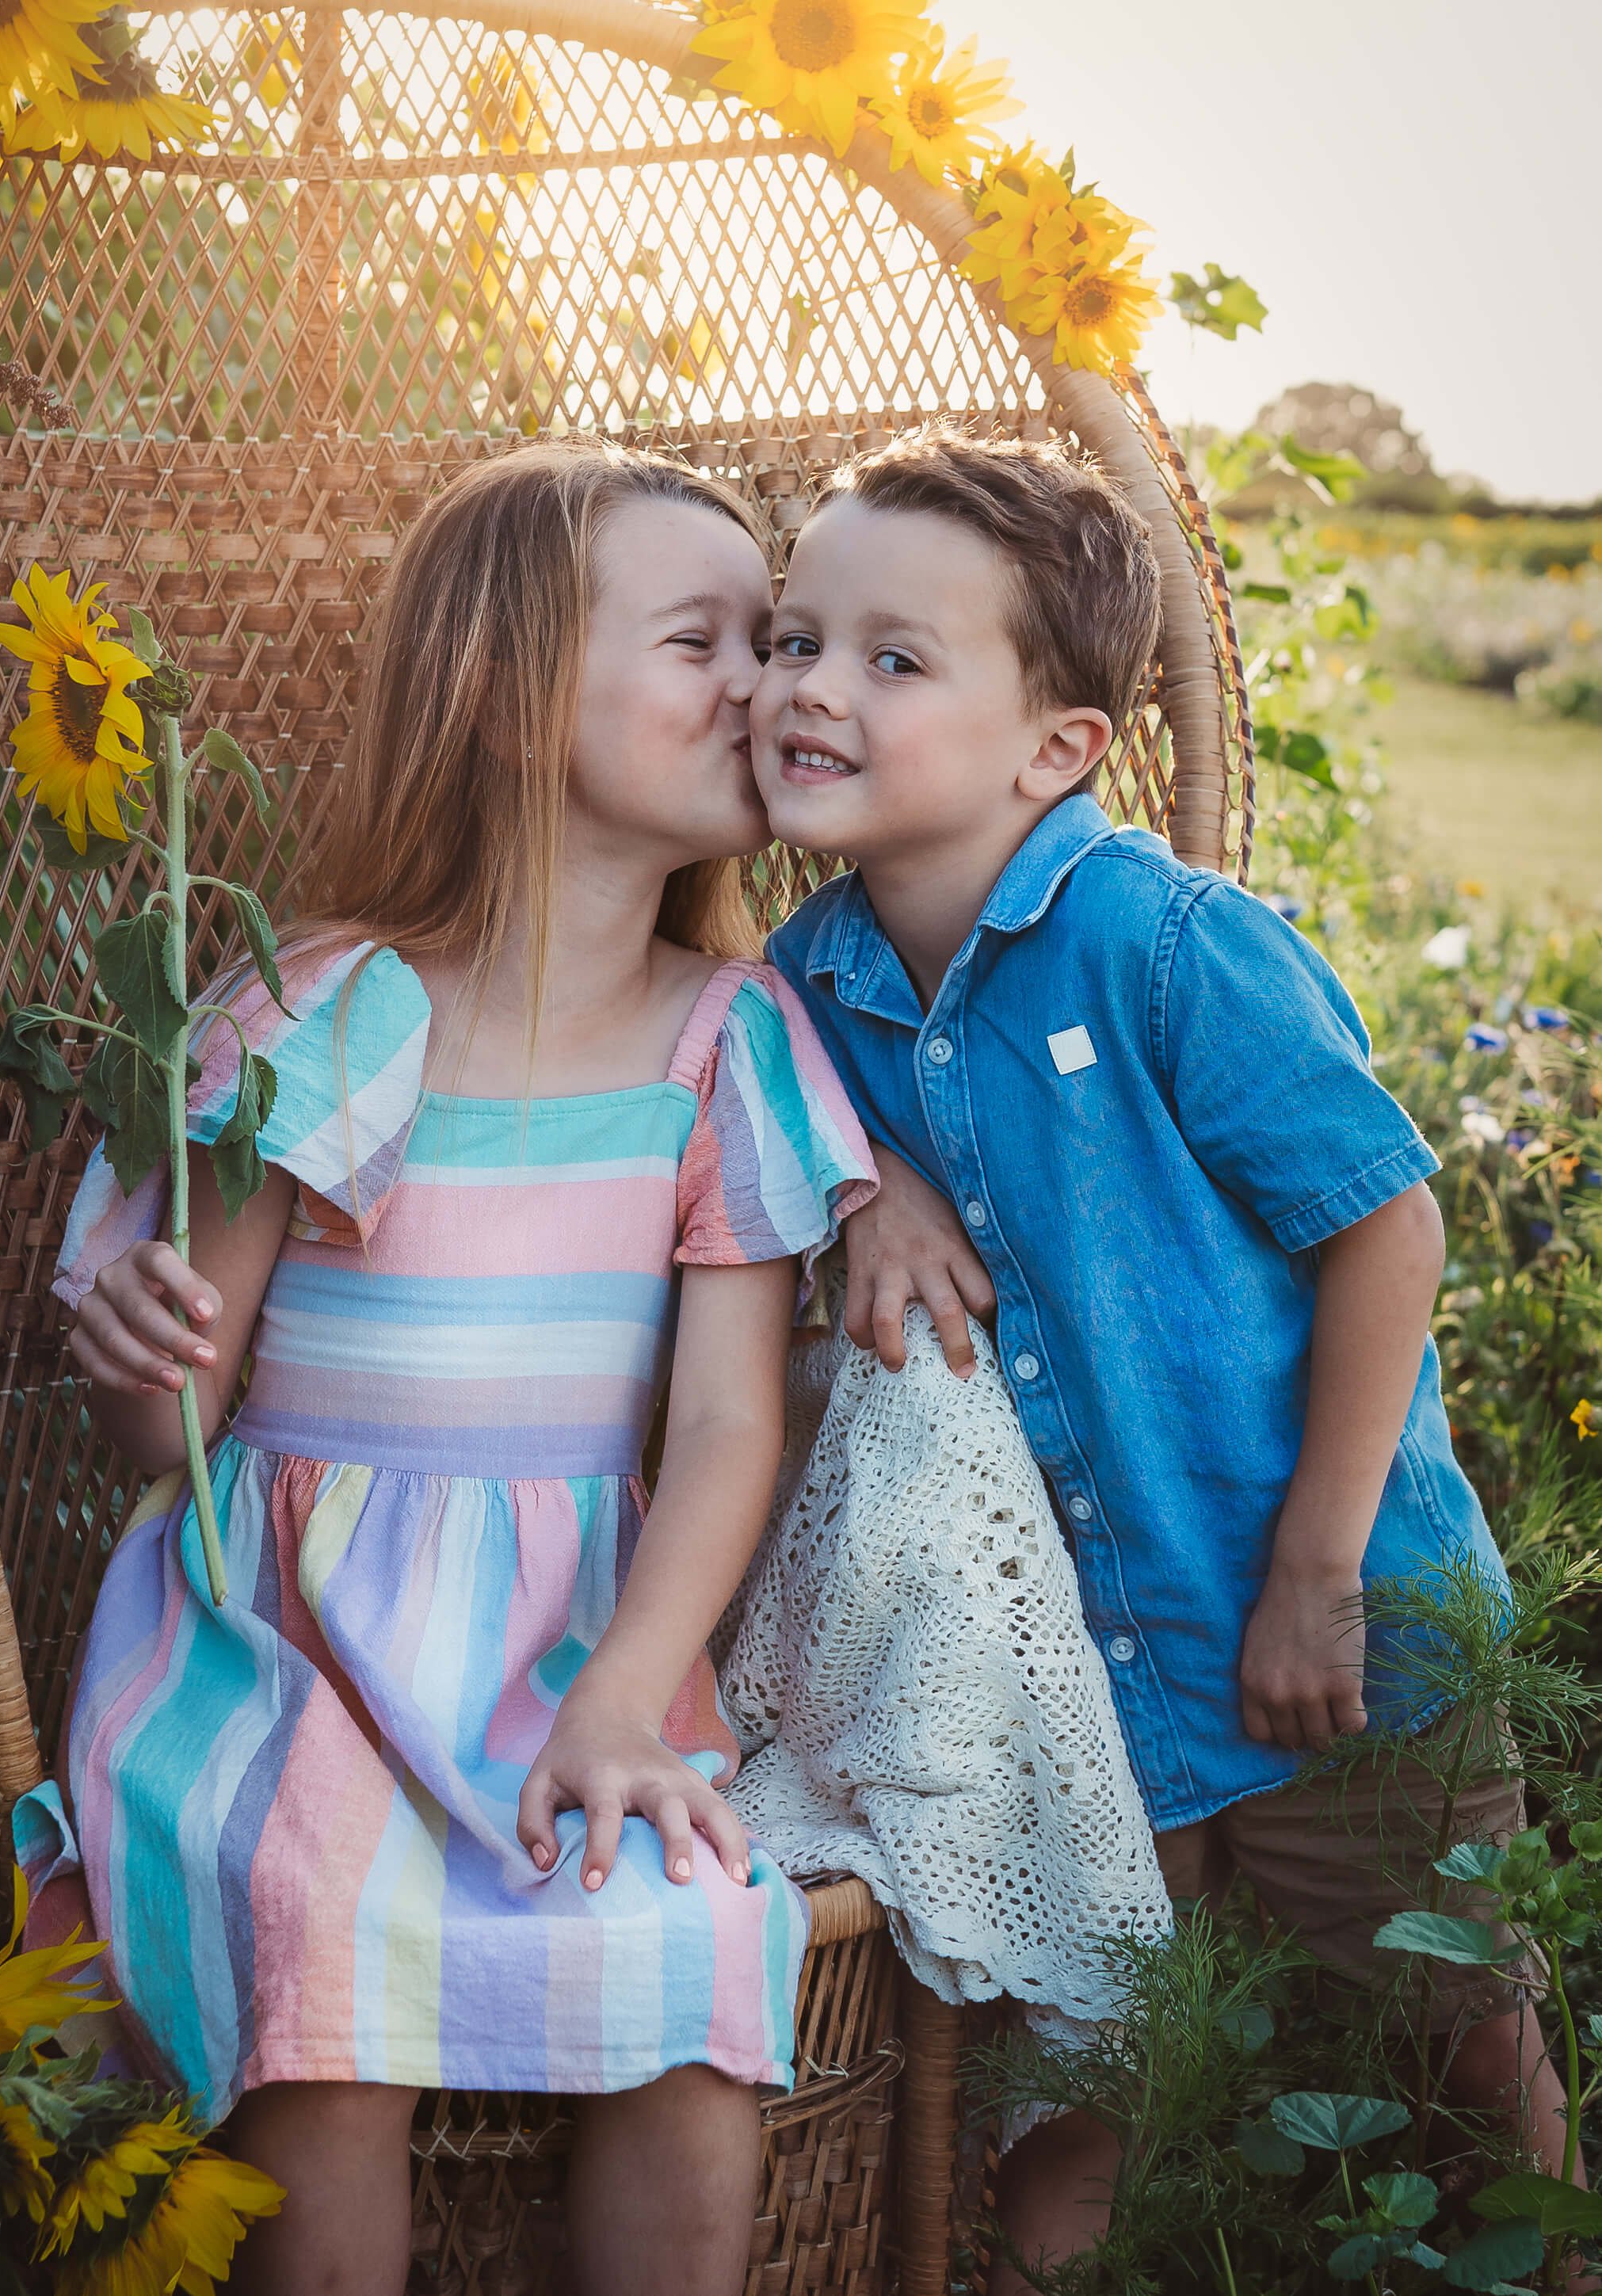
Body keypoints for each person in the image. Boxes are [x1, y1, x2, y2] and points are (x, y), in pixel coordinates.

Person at [16, 441, 876, 2296]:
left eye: (778, 638)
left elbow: (730, 1424)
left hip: (574, 1652)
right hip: (280, 1647)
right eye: (700, 639)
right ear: (503, 698)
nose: (768, 685)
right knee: (315, 2008)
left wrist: (629, 1703)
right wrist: (130, 1344)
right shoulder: (322, 1004)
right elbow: (165, 1420)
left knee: (684, 1989)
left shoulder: (726, 1041)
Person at [749, 425, 1574, 2292]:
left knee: (1454, 2020)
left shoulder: (1161, 945)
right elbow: (760, 1134)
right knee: (1101, 2060)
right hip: (1079, 1673)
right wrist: (862, 1181)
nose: (808, 686)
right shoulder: (805, 989)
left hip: (1327, 1621)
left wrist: (1313, 1571)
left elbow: (1383, 1228)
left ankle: (1555, 2259)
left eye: (892, 659)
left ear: (1056, 749)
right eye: (797, 638)